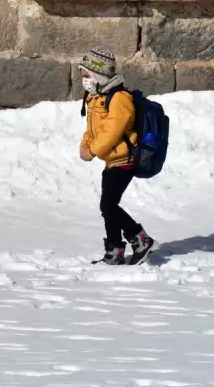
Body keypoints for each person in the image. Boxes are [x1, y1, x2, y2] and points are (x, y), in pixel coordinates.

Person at [78, 48, 158, 265]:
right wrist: (85, 146)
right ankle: (114, 251)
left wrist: (93, 150)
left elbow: (112, 132)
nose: (84, 80)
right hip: (112, 161)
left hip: (125, 159)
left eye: (87, 75)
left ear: (98, 74)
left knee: (108, 206)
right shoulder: (96, 98)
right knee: (108, 207)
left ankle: (141, 239)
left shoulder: (120, 99)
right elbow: (92, 129)